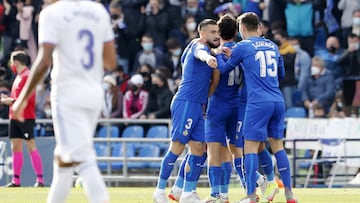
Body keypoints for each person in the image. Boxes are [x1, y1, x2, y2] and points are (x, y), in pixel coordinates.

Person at [11, 0, 116, 202]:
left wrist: (22, 99)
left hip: (68, 94)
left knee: (83, 158)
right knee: (63, 160)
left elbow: (43, 61)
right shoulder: (98, 11)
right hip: (93, 93)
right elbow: (110, 61)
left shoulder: (52, 13)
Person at [215, 12, 297, 203]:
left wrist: (228, 56)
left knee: (249, 149)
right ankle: (290, 195)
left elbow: (225, 70)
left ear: (242, 28)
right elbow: (281, 73)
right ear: (258, 26)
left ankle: (251, 195)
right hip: (278, 100)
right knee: (278, 147)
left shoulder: (242, 46)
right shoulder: (272, 45)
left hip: (257, 102)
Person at [152, 18, 220, 203]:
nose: (217, 35)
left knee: (199, 148)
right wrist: (209, 58)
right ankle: (159, 191)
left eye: (218, 32)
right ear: (202, 33)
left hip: (198, 105)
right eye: (213, 32)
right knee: (177, 146)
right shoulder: (199, 47)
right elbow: (200, 53)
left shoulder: (197, 47)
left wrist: (213, 53)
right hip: (186, 102)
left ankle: (188, 193)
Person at [0, 51, 44, 187]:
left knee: (30, 144)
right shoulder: (19, 76)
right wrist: (9, 100)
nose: (11, 65)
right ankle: (16, 180)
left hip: (26, 116)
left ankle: (40, 180)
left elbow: (28, 99)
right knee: (15, 147)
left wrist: (9, 101)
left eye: (12, 62)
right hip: (14, 116)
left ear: (16, 62)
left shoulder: (27, 76)